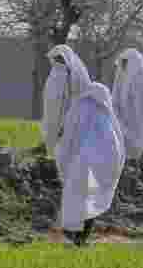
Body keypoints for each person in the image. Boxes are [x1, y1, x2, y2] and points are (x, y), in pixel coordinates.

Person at [57, 81, 126, 246]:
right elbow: (116, 146)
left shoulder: (79, 108)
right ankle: (81, 238)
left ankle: (72, 233)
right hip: (98, 168)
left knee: (75, 199)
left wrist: (65, 160)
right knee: (90, 202)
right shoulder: (106, 113)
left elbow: (67, 136)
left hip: (79, 164)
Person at [41, 45, 92, 166]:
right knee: (53, 148)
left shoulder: (75, 75)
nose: (58, 61)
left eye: (60, 58)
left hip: (69, 117)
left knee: (69, 150)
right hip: (52, 118)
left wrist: (67, 121)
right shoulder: (54, 73)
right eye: (56, 58)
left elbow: (77, 99)